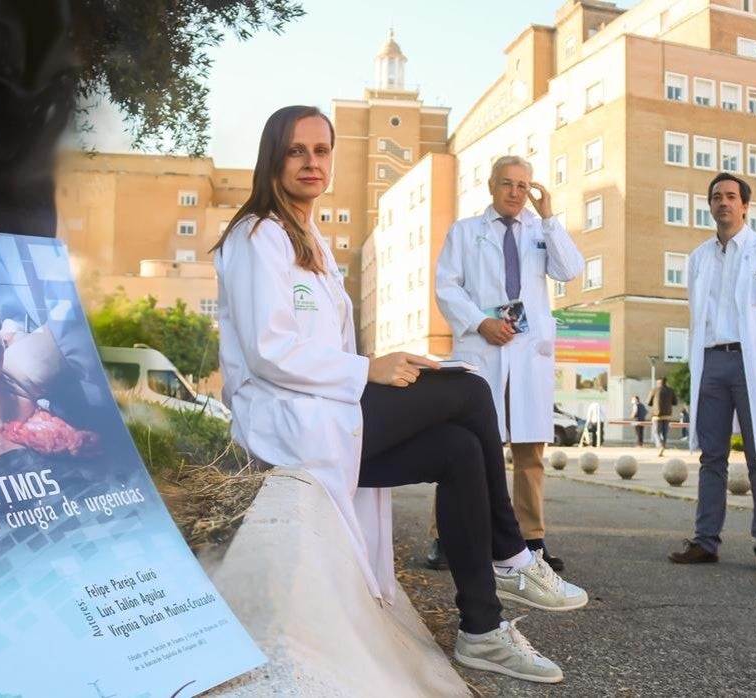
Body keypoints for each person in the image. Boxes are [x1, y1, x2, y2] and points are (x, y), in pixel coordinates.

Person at [212, 106, 587, 684]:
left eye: (322, 150)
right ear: (274, 158)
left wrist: (369, 372)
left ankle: (482, 631)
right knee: (469, 389)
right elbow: (268, 350)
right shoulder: (257, 233)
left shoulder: (306, 234)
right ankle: (513, 556)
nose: (313, 163)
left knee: (460, 450)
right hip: (284, 418)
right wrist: (369, 370)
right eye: (297, 151)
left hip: (326, 411)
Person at [432, 155, 584, 572]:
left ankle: (531, 540)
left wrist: (550, 216)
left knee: (530, 451)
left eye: (524, 185)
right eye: (507, 183)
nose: (515, 192)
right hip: (483, 349)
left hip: (527, 352)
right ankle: (446, 537)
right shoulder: (464, 233)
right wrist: (480, 322)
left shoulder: (540, 231)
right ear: (491, 186)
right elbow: (446, 286)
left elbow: (571, 270)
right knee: (466, 447)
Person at [668, 173, 756, 573]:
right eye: (716, 197)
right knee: (712, 457)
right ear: (709, 206)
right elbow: (697, 316)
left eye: (730, 196)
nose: (723, 202)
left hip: (752, 363)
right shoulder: (698, 258)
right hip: (711, 361)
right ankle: (706, 541)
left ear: (745, 205)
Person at [646, 377, 678, 455]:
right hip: (667, 415)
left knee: (656, 432)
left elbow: (648, 402)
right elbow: (675, 402)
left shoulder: (654, 390)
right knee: (665, 433)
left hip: (657, 415)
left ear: (658, 382)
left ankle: (660, 446)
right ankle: (663, 445)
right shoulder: (671, 390)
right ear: (666, 382)